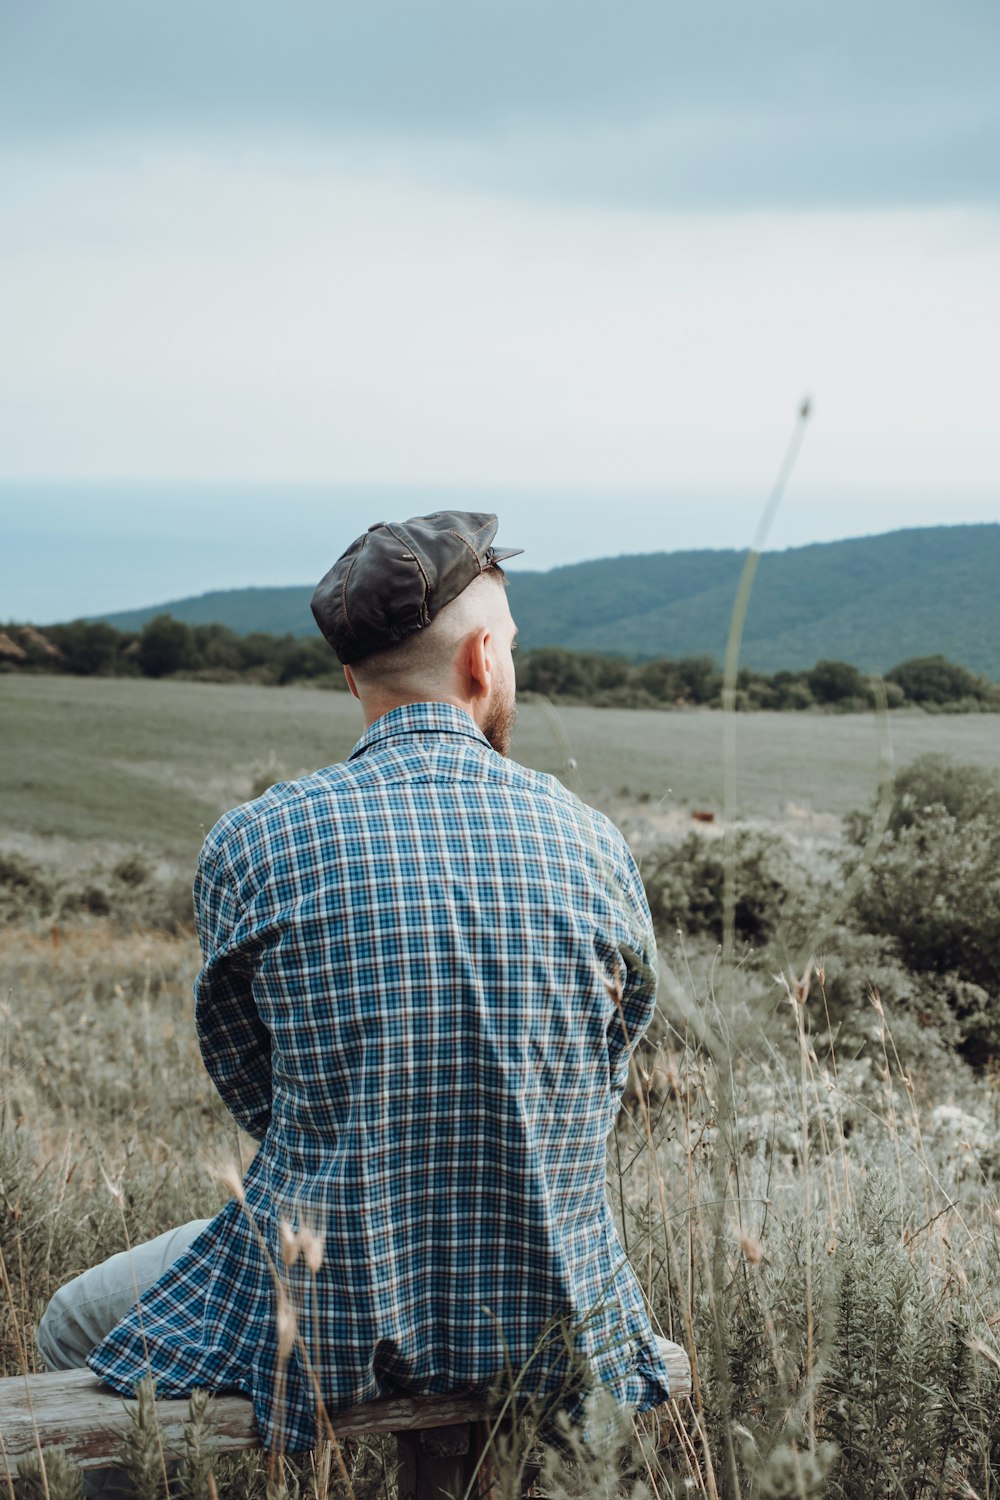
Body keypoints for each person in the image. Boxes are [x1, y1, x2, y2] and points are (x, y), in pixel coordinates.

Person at [37, 511, 671, 1451]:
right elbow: (604, 1073)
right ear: (482, 662)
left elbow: (255, 1088)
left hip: (328, 1304)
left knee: (70, 1322)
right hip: (554, 1300)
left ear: (352, 677)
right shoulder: (592, 838)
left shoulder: (254, 841)